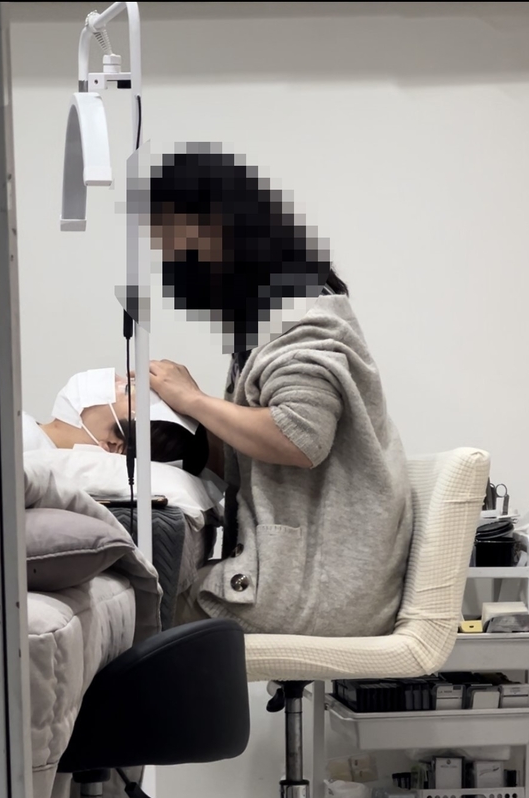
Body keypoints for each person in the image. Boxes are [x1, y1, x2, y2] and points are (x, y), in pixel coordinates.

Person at [146, 145, 413, 637]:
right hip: (306, 571)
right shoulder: (269, 327)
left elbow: (299, 439)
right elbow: (256, 461)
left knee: (138, 608)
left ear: (221, 229)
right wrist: (184, 428)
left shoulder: (303, 318)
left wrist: (193, 400)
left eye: (180, 250)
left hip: (320, 585)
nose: (175, 266)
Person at [22, 367, 210, 475]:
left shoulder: (23, 453)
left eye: (127, 390)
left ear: (113, 445)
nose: (116, 378)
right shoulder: (27, 431)